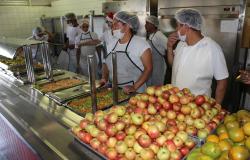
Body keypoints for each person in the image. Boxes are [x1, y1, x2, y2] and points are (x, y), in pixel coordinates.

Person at [167, 8, 229, 104]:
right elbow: (172, 65)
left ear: (186, 27)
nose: (176, 29)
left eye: (178, 26)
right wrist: (169, 48)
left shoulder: (212, 48)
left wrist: (217, 107)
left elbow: (222, 82)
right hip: (175, 103)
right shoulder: (181, 44)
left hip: (198, 107)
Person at [101, 11, 153, 94]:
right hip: (115, 90)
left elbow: (148, 68)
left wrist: (134, 87)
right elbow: (105, 64)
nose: (113, 28)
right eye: (112, 25)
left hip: (136, 92)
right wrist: (104, 78)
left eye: (116, 25)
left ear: (128, 25)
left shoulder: (141, 44)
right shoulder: (111, 44)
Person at [145, 15, 168, 86]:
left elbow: (169, 47)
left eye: (147, 23)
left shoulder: (159, 35)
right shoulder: (151, 35)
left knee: (157, 86)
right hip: (151, 64)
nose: (145, 25)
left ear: (153, 24)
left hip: (158, 66)